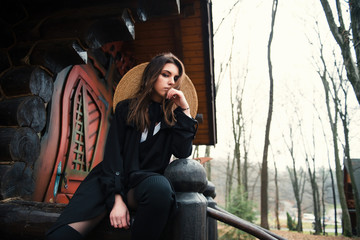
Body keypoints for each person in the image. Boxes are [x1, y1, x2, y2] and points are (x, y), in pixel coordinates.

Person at [45, 52, 198, 240]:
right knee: (61, 235)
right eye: (165, 74)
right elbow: (113, 155)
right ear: (152, 75)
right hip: (110, 180)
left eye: (175, 78)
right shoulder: (126, 109)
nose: (171, 81)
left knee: (160, 188)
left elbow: (183, 152)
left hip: (143, 187)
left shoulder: (174, 120)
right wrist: (117, 199)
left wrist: (185, 110)